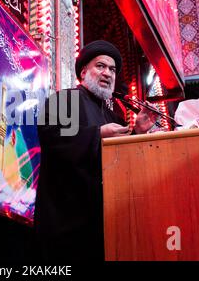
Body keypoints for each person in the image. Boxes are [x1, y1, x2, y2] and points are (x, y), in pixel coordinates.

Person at [34, 40, 157, 262]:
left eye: (112, 70)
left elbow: (120, 162)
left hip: (104, 226)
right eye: (100, 66)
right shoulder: (66, 100)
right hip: (66, 226)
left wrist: (137, 132)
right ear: (84, 71)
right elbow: (52, 138)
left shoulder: (113, 117)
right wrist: (97, 134)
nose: (108, 73)